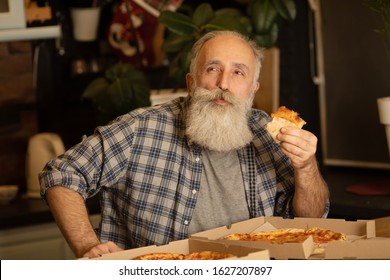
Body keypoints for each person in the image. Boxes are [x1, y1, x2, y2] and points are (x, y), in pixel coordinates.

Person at [39, 30, 330, 258]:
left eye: (238, 72)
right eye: (213, 69)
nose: (224, 84)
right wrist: (88, 246)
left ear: (253, 90)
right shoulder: (142, 128)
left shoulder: (269, 134)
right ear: (192, 83)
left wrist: (305, 166)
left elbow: (312, 220)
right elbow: (62, 173)